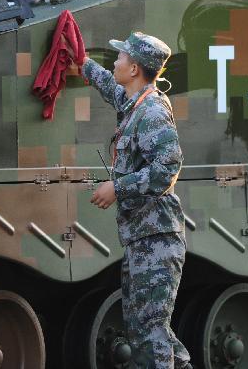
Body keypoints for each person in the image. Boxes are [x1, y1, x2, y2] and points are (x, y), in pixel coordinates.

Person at [72, 31, 191, 369]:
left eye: (121, 57)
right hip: (143, 238)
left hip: (157, 240)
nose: (116, 61)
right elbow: (110, 86)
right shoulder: (135, 103)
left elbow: (167, 167)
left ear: (135, 68)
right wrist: (82, 62)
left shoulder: (151, 111)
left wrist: (117, 187)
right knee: (150, 332)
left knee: (148, 336)